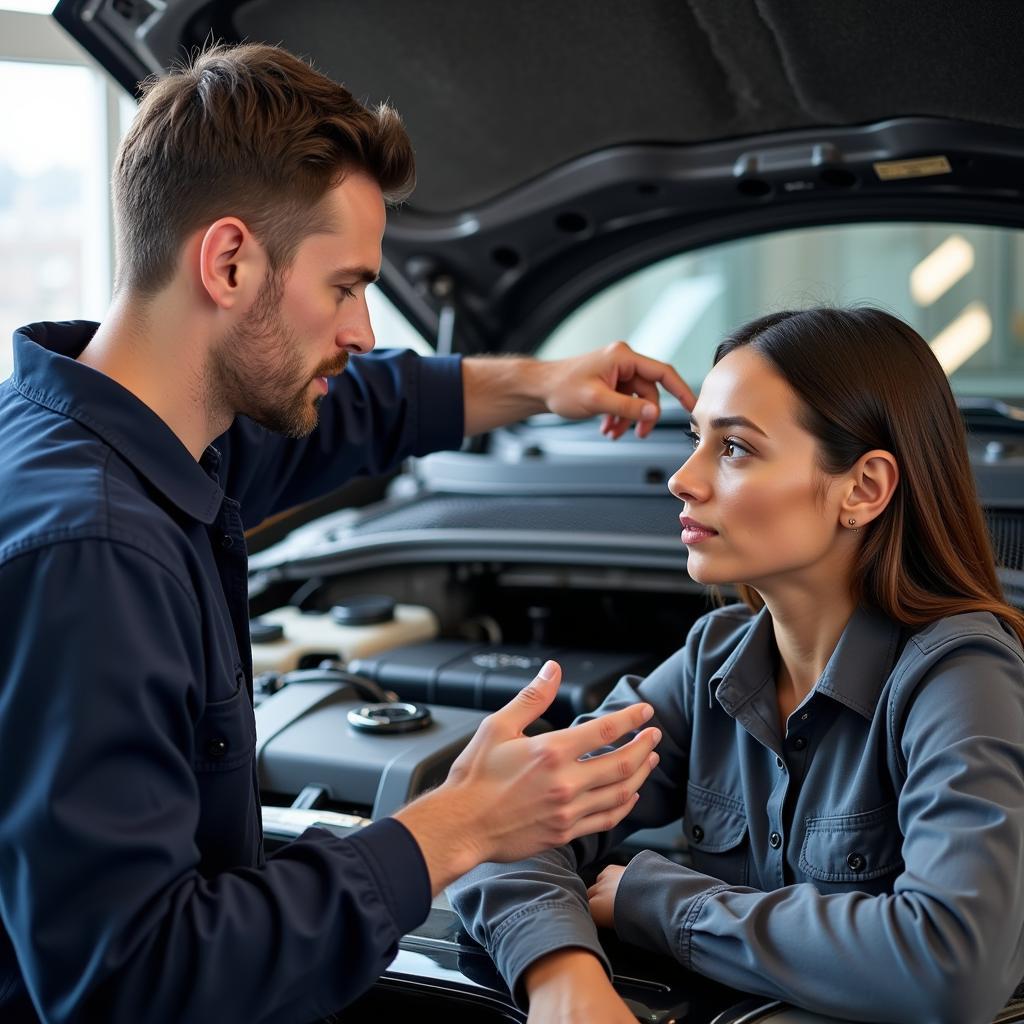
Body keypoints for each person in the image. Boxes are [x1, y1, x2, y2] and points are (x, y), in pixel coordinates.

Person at [0, 42, 698, 1023]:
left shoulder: (124, 434)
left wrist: (541, 384)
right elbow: (132, 982)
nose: (366, 327)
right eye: (345, 285)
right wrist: (452, 827)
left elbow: (363, 405)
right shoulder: (94, 550)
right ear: (230, 260)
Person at [450, 306, 1024, 1024]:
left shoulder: (962, 680)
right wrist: (565, 980)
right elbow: (497, 826)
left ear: (865, 489)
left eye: (735, 449)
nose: (682, 480)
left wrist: (660, 902)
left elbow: (953, 965)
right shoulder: (710, 662)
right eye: (697, 441)